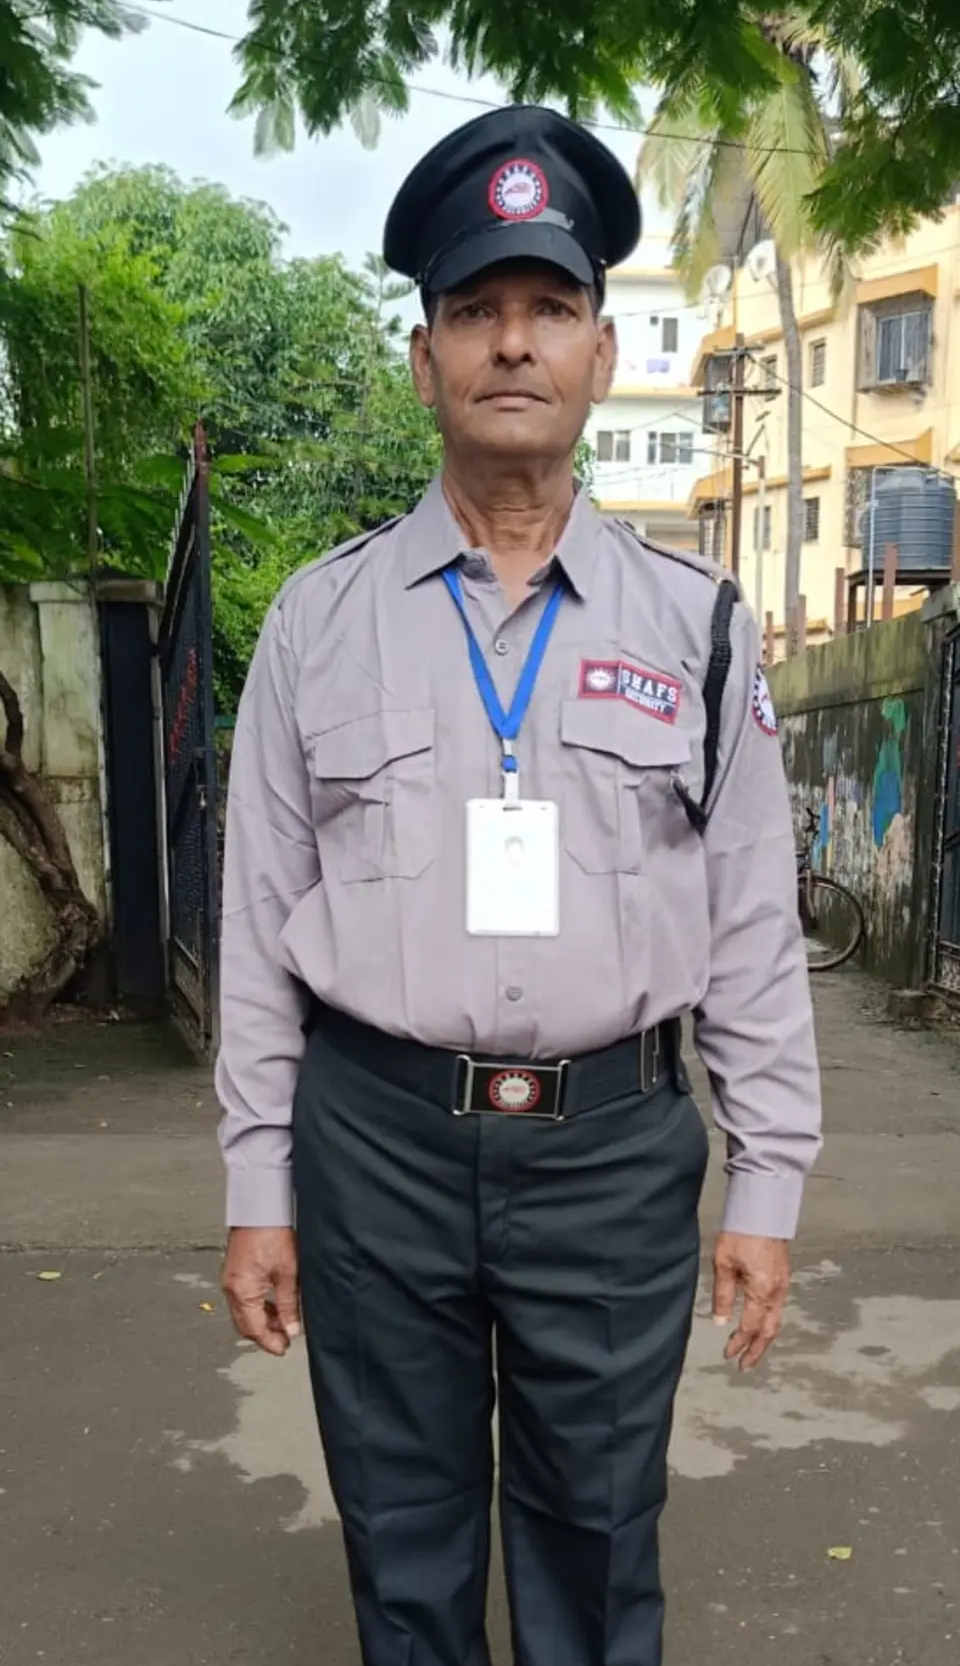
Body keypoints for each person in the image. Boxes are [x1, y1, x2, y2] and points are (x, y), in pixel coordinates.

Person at [216, 104, 822, 1666]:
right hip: (375, 1145)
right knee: (402, 1549)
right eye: (475, 308)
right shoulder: (319, 622)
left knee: (598, 1549)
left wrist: (767, 1187)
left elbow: (754, 924)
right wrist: (257, 1188)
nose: (511, 343)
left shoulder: (696, 625)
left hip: (611, 1154)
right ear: (423, 356)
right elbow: (258, 928)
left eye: (549, 308)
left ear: (601, 356)